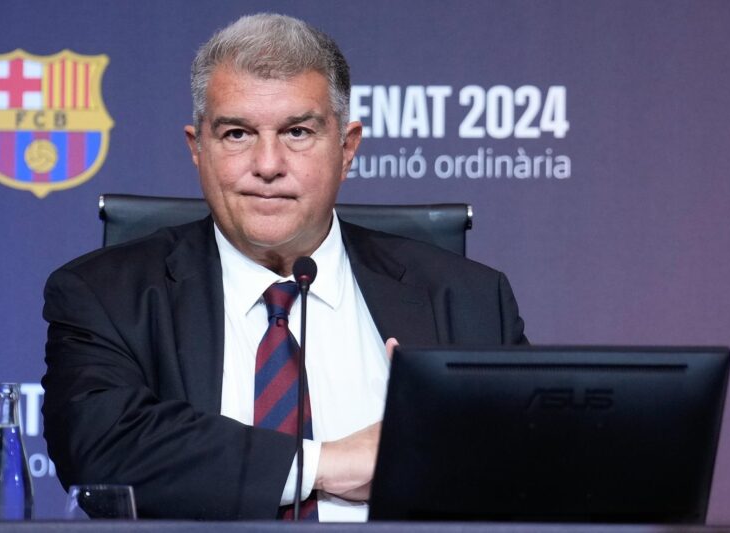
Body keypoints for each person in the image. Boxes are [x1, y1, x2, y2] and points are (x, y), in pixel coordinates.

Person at [41, 13, 528, 521]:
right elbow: (102, 448)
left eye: (297, 132)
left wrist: (441, 436)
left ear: (347, 148)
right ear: (197, 148)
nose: (268, 164)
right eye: (236, 134)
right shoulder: (105, 295)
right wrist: (326, 464)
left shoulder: (467, 301)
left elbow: (533, 467)